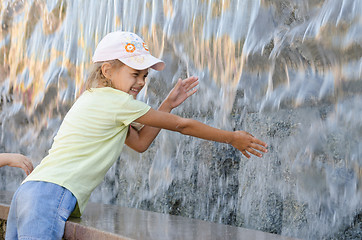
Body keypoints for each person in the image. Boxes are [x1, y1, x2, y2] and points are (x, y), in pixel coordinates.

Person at [5, 31, 268, 239]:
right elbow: (182, 125)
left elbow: (141, 143)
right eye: (134, 74)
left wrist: (165, 105)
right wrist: (231, 138)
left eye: (144, 75)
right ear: (107, 71)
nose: (141, 82)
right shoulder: (116, 103)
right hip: (50, 193)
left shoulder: (97, 99)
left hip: (29, 192)